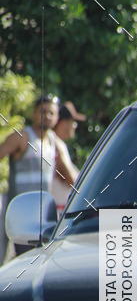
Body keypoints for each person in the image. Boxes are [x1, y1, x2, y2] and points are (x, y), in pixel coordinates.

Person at [0, 95, 76, 256]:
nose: (47, 116)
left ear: (57, 117)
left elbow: (72, 178)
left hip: (41, 216)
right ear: (34, 113)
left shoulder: (55, 143)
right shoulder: (22, 137)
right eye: (43, 111)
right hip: (19, 213)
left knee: (37, 259)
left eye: (51, 113)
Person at [52, 101, 85, 213]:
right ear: (63, 123)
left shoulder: (56, 143)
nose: (75, 125)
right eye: (73, 122)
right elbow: (71, 179)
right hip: (57, 213)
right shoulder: (56, 144)